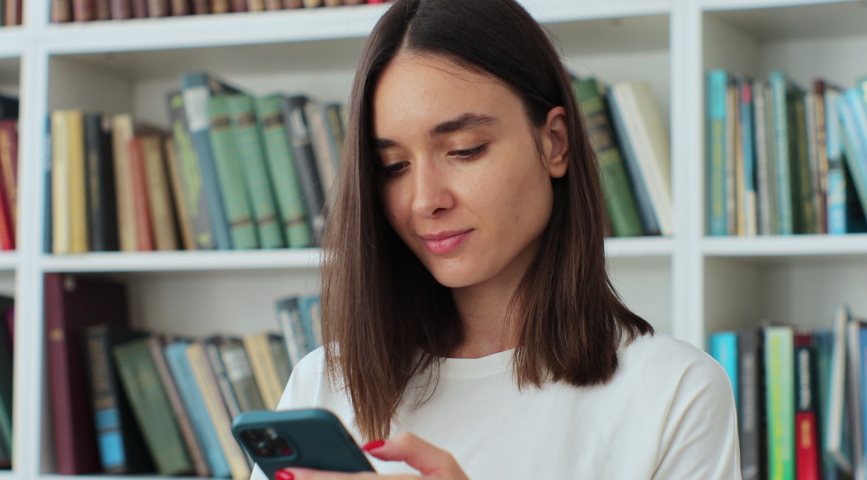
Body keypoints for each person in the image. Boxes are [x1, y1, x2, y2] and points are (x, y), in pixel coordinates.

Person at [255, 0, 741, 478]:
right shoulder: (323, 384)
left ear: (554, 143)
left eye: (465, 150)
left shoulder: (674, 393)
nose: (425, 200)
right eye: (394, 167)